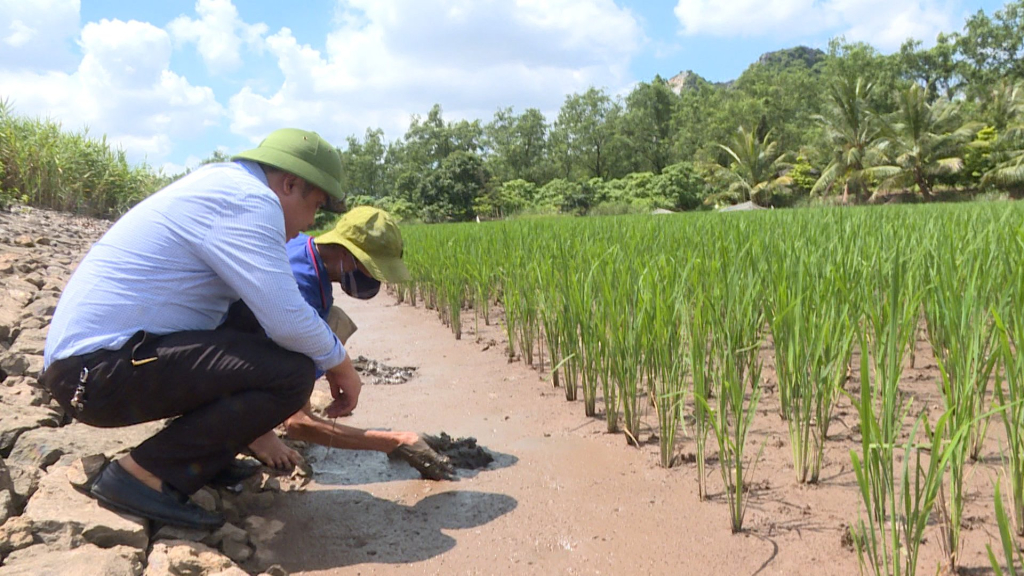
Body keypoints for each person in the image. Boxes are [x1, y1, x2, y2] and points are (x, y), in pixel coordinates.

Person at [41, 128, 361, 529]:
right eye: (314, 205)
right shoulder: (250, 199)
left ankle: (202, 459)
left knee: (250, 317)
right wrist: (341, 364)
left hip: (96, 367)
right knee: (292, 374)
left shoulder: (226, 185)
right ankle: (140, 476)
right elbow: (287, 317)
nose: (312, 221)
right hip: (94, 376)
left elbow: (270, 311)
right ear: (289, 183)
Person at [228, 206, 455, 480]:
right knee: (308, 357)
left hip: (246, 346)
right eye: (372, 270)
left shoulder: (305, 249)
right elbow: (298, 426)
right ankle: (254, 431)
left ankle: (274, 410)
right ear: (346, 254)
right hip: (225, 362)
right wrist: (393, 441)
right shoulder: (297, 283)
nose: (374, 280)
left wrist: (335, 369)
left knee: (334, 322)